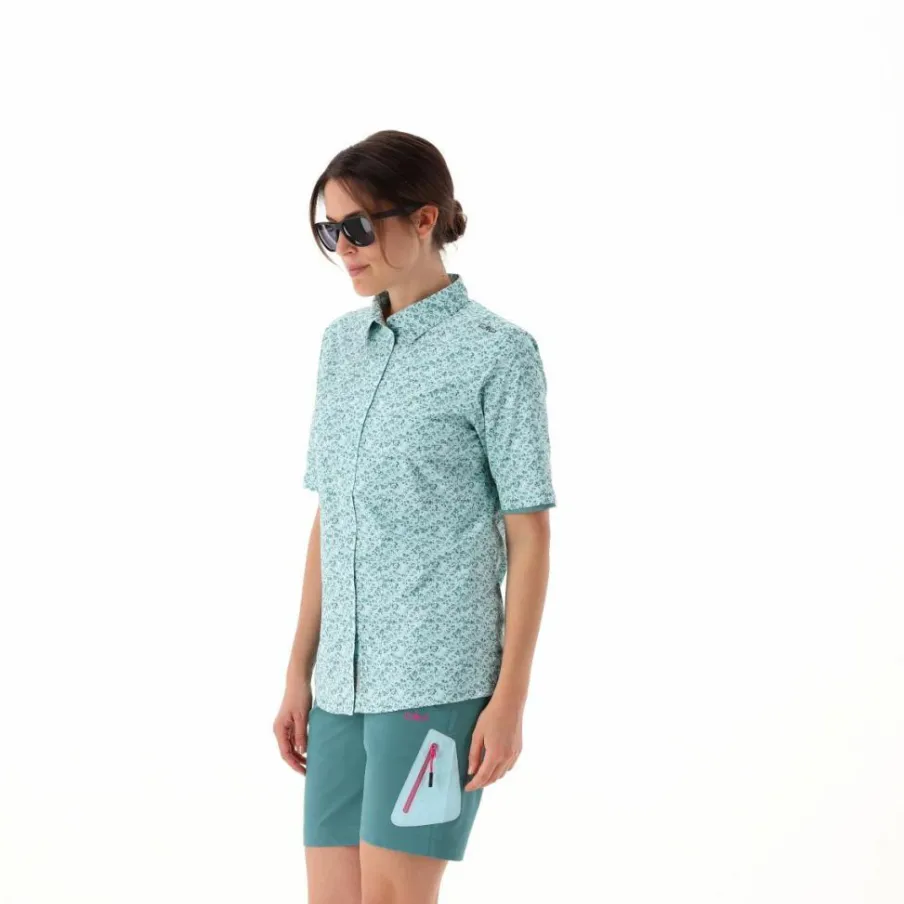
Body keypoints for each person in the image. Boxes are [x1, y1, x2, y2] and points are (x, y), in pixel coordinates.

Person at [273, 130, 557, 904]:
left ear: (425, 219)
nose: (343, 249)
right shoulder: (341, 348)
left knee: (394, 897)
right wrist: (299, 672)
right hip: (340, 688)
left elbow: (528, 533)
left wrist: (510, 698)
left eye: (357, 227)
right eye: (329, 231)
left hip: (435, 681)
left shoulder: (497, 353)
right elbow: (334, 515)